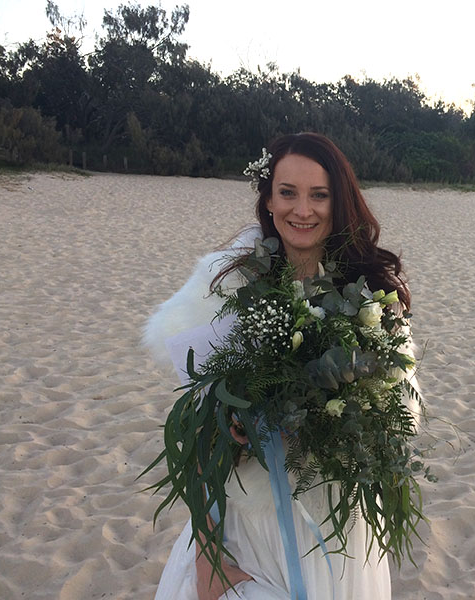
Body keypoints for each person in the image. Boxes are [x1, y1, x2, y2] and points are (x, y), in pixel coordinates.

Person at [143, 133, 415, 600]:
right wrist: (208, 561)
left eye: (319, 195)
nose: (302, 210)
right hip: (245, 531)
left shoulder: (372, 296)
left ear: (339, 202)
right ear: (268, 199)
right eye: (288, 192)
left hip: (335, 535)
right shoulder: (226, 286)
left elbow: (398, 423)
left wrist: (325, 422)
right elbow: (199, 437)